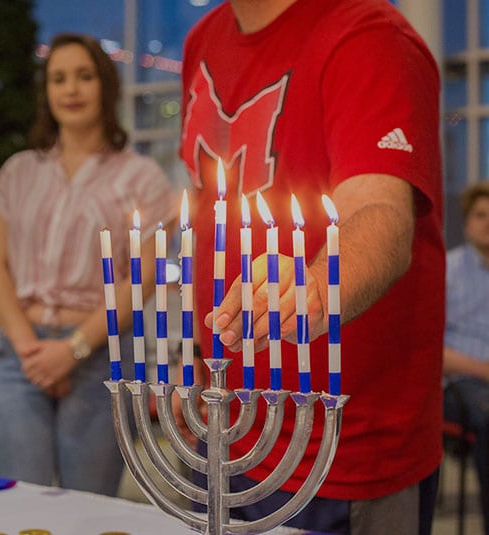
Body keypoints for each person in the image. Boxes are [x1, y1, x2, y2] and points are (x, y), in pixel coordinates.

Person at [179, 1, 443, 533]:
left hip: (339, 448)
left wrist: (314, 286)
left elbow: (381, 215)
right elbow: (210, 212)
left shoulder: (367, 35)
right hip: (222, 425)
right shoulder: (202, 39)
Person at [0, 33, 177, 496]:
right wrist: (32, 351)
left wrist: (71, 350)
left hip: (101, 355)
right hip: (18, 354)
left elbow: (141, 279)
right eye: (59, 78)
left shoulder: (142, 178)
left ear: (105, 87)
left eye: (84, 77)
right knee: (15, 504)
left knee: (89, 508)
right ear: (45, 92)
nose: (71, 89)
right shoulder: (19, 171)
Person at [442, 181, 489, 535]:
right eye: (480, 215)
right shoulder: (448, 271)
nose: (487, 222)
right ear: (468, 221)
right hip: (459, 384)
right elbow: (433, 351)